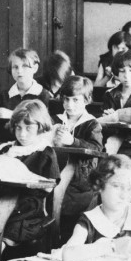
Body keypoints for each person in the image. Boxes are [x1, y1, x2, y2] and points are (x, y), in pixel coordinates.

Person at [0, 101, 60, 248]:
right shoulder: (9, 149)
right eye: (18, 128)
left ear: (40, 127)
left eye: (28, 128)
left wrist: (22, 173)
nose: (22, 134)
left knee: (3, 234)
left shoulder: (45, 152)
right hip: (2, 200)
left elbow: (50, 187)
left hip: (28, 210)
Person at [51, 76, 104, 237]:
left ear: (87, 100)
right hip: (55, 171)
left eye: (75, 100)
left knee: (70, 206)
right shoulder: (56, 120)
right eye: (66, 99)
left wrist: (72, 141)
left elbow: (96, 148)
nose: (69, 105)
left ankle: (63, 236)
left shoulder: (92, 124)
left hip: (81, 177)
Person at [0, 48, 52, 142]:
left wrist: (11, 114)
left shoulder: (44, 96)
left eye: (25, 66)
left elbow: (46, 126)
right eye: (15, 67)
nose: (19, 71)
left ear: (35, 68)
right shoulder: (4, 95)